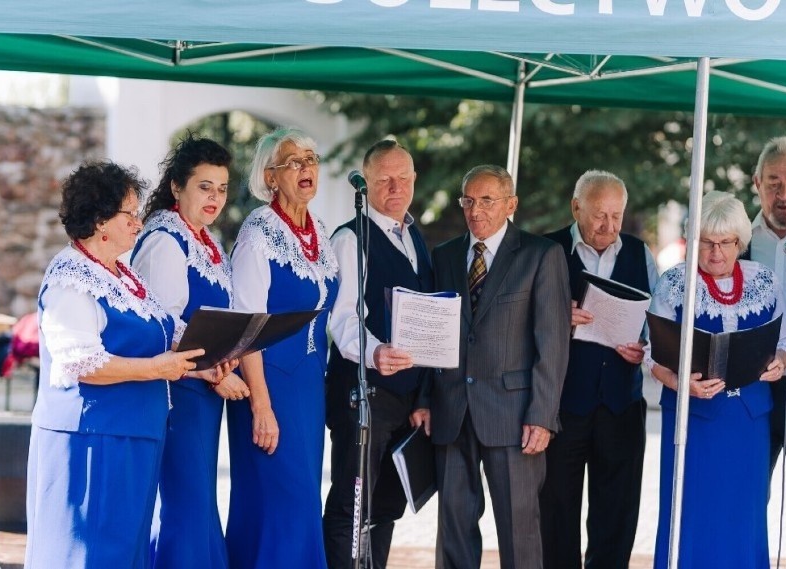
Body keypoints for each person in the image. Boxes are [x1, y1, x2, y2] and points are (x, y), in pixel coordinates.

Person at [25, 161, 205, 569]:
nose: (139, 223)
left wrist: (202, 364)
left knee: (125, 554)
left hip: (135, 436)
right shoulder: (72, 276)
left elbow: (163, 334)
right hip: (92, 441)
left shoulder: (123, 275)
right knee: (89, 555)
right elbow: (81, 362)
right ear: (101, 220)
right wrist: (157, 370)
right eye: (131, 214)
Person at [412, 164, 571, 569]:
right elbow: (434, 332)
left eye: (487, 200)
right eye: (468, 200)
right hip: (451, 412)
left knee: (520, 532)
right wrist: (426, 398)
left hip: (515, 417)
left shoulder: (542, 255)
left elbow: (552, 343)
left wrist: (542, 415)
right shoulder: (445, 255)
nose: (475, 210)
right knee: (453, 530)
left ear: (511, 204)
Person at [648, 190, 786, 568]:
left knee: (745, 517)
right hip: (694, 424)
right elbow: (651, 356)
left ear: (740, 242)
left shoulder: (765, 281)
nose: (715, 253)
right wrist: (681, 383)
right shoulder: (675, 283)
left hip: (748, 423)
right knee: (690, 515)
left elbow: (785, 343)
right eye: (707, 242)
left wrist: (778, 361)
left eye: (725, 243)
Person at [131, 134, 248, 569]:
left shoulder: (207, 242)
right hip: (177, 391)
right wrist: (215, 368)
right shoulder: (165, 238)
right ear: (177, 187)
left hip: (203, 392)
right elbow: (164, 323)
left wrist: (231, 351)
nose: (215, 197)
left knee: (196, 500)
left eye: (221, 187)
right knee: (188, 505)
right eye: (205, 186)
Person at [225, 127, 339, 569]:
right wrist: (261, 406)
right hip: (268, 385)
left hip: (308, 388)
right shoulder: (258, 234)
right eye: (294, 161)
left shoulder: (319, 232)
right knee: (278, 504)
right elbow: (247, 326)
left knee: (302, 501)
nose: (306, 167)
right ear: (271, 177)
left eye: (311, 159)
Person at [539, 170, 657, 569]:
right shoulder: (547, 250)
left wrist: (645, 348)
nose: (609, 226)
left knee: (617, 517)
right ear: (576, 208)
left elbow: (658, 324)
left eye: (617, 215)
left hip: (621, 406)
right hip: (561, 408)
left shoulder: (640, 254)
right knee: (555, 514)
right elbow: (518, 325)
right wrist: (556, 317)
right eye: (599, 215)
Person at [324, 140, 433, 568]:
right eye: (384, 179)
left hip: (405, 399)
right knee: (351, 509)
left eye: (403, 178)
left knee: (386, 506)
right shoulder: (351, 239)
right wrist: (375, 354)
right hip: (363, 396)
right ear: (366, 182)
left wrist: (424, 396)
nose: (395, 187)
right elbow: (344, 319)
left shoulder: (414, 236)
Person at [747, 135, 786, 550]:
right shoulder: (735, 240)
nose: (784, 194)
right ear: (756, 183)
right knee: (747, 496)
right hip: (751, 388)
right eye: (775, 182)